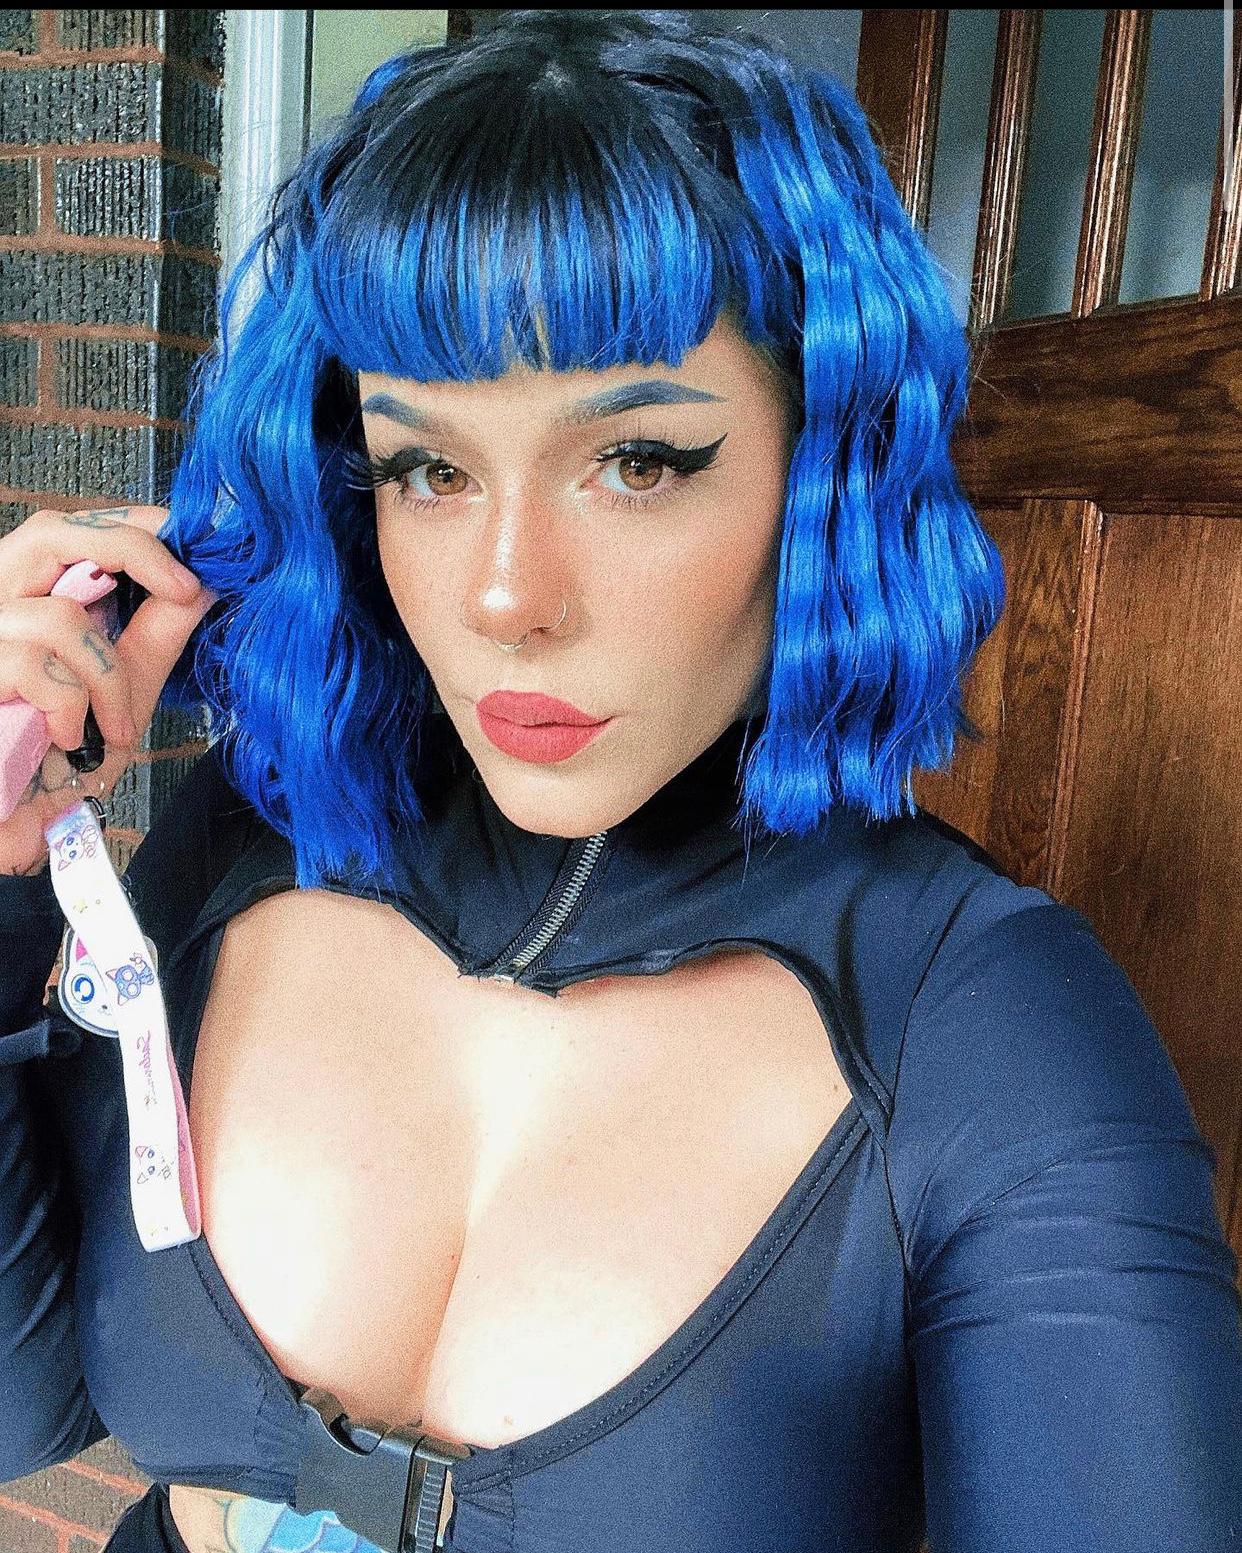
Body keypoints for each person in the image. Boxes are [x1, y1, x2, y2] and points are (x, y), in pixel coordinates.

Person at [1, 10, 1239, 1553]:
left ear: (822, 462)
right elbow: (22, 1399)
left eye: (638, 460)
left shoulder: (980, 1018)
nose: (505, 594)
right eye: (428, 468)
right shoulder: (266, 827)